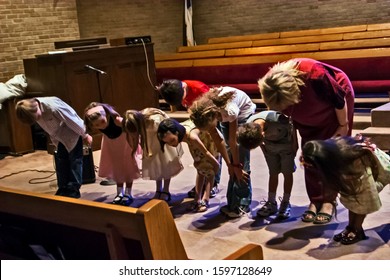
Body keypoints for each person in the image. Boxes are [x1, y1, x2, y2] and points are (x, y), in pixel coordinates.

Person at [258, 58, 354, 224]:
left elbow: (339, 98)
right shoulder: (270, 84)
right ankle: (316, 199)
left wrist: (343, 125)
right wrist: (292, 142)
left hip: (333, 110)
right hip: (305, 113)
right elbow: (280, 113)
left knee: (328, 156)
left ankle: (328, 201)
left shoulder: (314, 74)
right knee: (309, 155)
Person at [301, 136, 390, 244]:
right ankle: (350, 227)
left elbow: (363, 200)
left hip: (369, 173)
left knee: (360, 200)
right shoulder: (333, 154)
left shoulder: (354, 158)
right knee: (352, 198)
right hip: (355, 176)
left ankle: (357, 230)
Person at [189, 86, 255, 218]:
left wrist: (236, 166)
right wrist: (229, 164)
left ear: (213, 117)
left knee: (241, 161)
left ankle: (242, 204)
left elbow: (233, 142)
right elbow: (219, 141)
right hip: (224, 115)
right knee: (232, 161)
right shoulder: (204, 111)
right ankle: (232, 202)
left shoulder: (229, 111)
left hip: (243, 114)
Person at [15, 97, 92, 198]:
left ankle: (73, 188)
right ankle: (63, 187)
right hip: (59, 138)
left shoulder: (53, 107)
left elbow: (72, 120)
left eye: (36, 117)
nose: (37, 120)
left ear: (36, 108)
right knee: (61, 161)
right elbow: (49, 128)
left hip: (73, 133)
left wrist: (85, 135)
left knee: (75, 161)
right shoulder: (32, 111)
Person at [157, 79, 220, 198]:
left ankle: (214, 183)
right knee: (200, 164)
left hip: (210, 122)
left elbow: (213, 112)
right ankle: (201, 188)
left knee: (213, 153)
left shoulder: (199, 89)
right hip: (197, 124)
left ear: (184, 90)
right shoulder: (176, 89)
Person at [237, 110, 298, 220]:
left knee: (287, 172)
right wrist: (264, 149)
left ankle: (285, 202)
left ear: (262, 134)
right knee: (273, 173)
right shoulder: (250, 125)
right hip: (270, 148)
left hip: (286, 145)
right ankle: (271, 202)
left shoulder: (276, 119)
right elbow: (258, 141)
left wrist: (295, 144)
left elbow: (292, 125)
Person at [157, 118, 220, 212]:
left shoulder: (192, 137)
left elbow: (206, 152)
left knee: (209, 170)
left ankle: (205, 199)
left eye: (172, 140)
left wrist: (216, 163)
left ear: (177, 133)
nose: (170, 144)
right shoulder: (181, 132)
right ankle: (197, 198)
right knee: (199, 167)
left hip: (208, 140)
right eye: (167, 143)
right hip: (197, 143)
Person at [84, 102, 140, 206]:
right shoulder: (98, 124)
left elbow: (132, 129)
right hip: (111, 144)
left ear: (106, 115)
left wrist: (135, 144)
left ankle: (128, 192)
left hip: (124, 143)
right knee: (116, 167)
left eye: (102, 121)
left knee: (128, 166)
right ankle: (119, 192)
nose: (101, 126)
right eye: (97, 125)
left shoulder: (117, 120)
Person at [123, 108, 183, 202]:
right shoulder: (140, 122)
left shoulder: (155, 120)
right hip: (151, 144)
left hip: (164, 144)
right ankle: (158, 189)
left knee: (166, 165)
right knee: (156, 167)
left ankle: (166, 190)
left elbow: (167, 130)